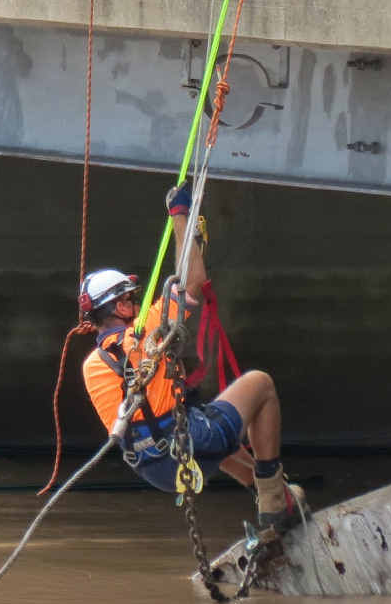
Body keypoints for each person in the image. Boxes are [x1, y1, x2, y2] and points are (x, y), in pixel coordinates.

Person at [80, 182, 307, 535]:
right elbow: (194, 282)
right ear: (122, 306)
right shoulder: (144, 332)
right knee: (259, 385)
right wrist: (179, 216)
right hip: (186, 443)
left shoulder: (92, 365)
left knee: (214, 424)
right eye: (133, 299)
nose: (138, 305)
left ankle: (269, 497)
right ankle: (275, 497)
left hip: (152, 466)